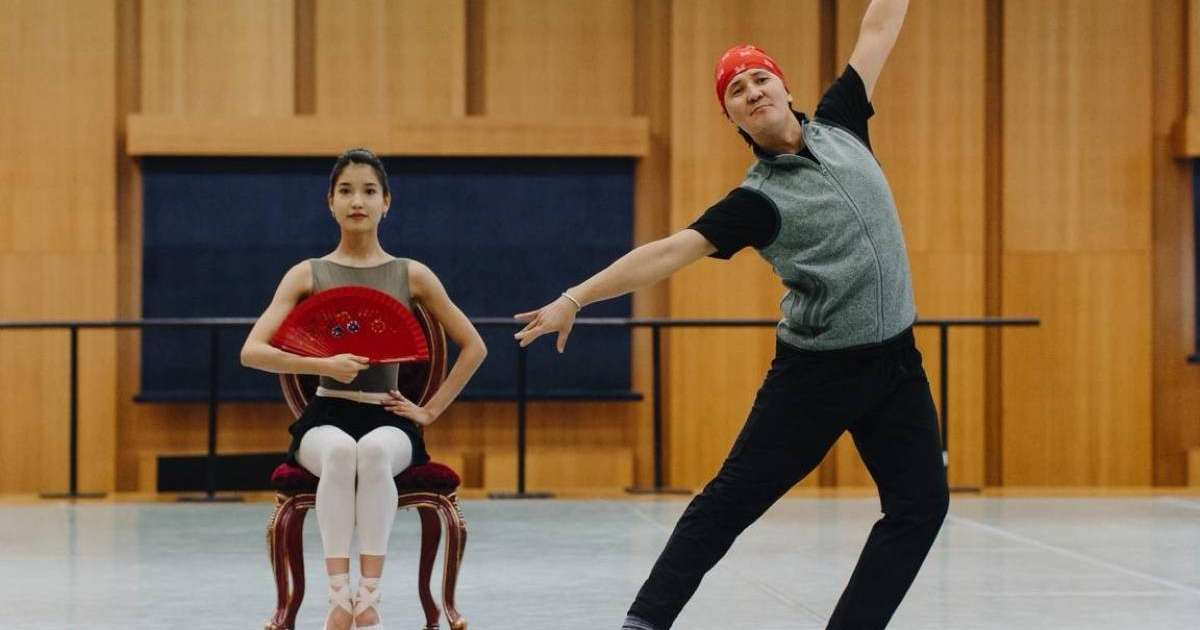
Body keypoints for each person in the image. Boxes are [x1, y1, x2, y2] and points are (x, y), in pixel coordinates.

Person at [515, 1, 948, 628]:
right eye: (736, 92)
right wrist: (573, 297)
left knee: (920, 506)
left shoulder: (843, 121)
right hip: (816, 375)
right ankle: (644, 621)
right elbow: (668, 252)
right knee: (730, 502)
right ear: (734, 119)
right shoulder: (756, 200)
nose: (752, 92)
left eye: (760, 78)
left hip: (895, 366)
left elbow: (878, 28)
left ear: (785, 88)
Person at [241, 148, 486, 630]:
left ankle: (368, 597)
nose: (358, 201)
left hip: (388, 416)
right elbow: (253, 351)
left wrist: (429, 412)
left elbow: (474, 346)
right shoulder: (306, 273)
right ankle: (339, 598)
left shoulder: (412, 274)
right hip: (325, 414)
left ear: (386, 202)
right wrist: (320, 363)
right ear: (330, 202)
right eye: (346, 191)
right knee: (339, 454)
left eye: (369, 191)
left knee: (372, 454)